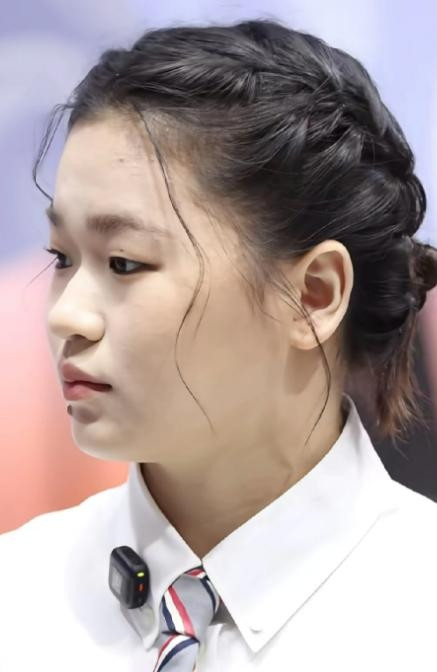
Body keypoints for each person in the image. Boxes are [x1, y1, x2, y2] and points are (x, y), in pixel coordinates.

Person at [1, 17, 437, 671]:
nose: (67, 316)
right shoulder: (17, 596)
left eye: (124, 263)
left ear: (313, 295)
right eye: (62, 257)